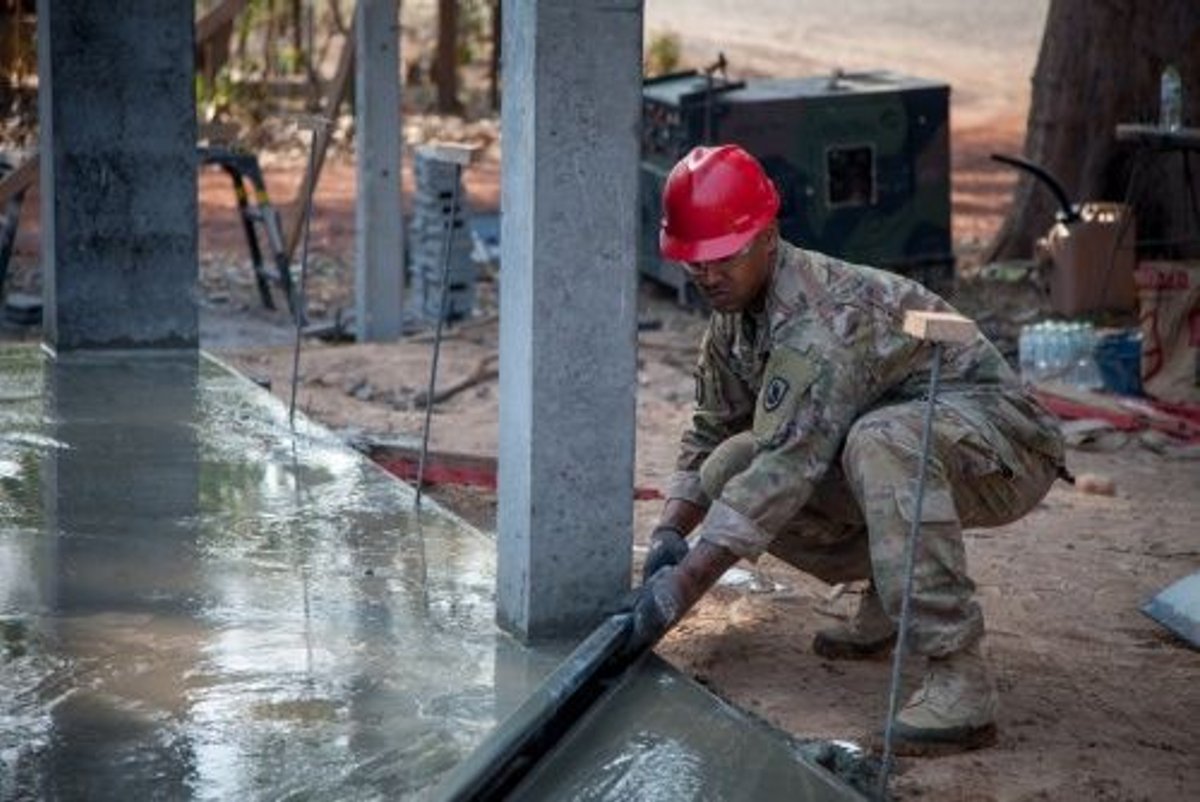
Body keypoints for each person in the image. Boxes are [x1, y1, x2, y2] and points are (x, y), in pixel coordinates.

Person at [623, 144, 1064, 756]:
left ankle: (960, 677)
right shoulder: (735, 316)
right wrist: (672, 530)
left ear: (768, 237)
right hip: (912, 437)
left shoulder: (822, 319)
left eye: (722, 258)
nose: (707, 276)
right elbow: (711, 431)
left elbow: (788, 465)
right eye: (695, 263)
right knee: (733, 464)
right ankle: (887, 596)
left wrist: (685, 584)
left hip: (1003, 441)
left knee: (877, 443)